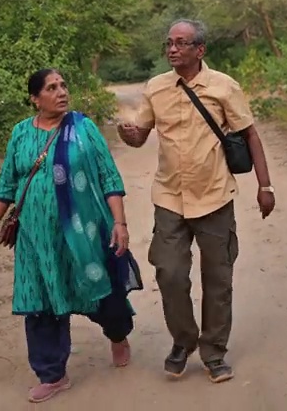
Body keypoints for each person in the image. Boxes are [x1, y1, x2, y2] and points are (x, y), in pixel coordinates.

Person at [117, 19, 274, 384]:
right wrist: (130, 134)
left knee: (218, 279)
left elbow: (249, 134)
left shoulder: (223, 87)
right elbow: (140, 137)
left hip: (215, 196)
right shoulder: (156, 88)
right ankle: (183, 340)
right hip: (169, 196)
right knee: (169, 273)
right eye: (169, 43)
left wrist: (265, 187)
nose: (172, 49)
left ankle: (214, 352)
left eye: (181, 43)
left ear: (199, 50)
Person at [0, 68, 143, 404]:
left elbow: (109, 177)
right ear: (35, 98)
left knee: (101, 291)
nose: (62, 92)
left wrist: (119, 224)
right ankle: (52, 373)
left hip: (84, 234)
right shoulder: (21, 133)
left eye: (64, 85)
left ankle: (118, 334)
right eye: (51, 88)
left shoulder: (83, 128)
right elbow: (7, 184)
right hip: (36, 241)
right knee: (41, 299)